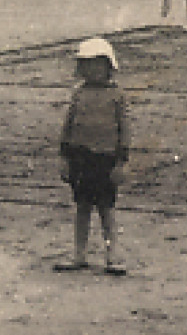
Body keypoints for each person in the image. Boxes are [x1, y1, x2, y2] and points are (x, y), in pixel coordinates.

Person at [56, 38, 131, 275]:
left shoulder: (117, 96)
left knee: (106, 209)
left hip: (105, 158)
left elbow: (124, 131)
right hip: (80, 156)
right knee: (82, 207)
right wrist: (64, 158)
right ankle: (79, 254)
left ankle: (112, 255)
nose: (93, 70)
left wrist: (121, 163)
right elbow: (67, 127)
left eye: (98, 65)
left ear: (109, 67)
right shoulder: (78, 94)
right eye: (87, 65)